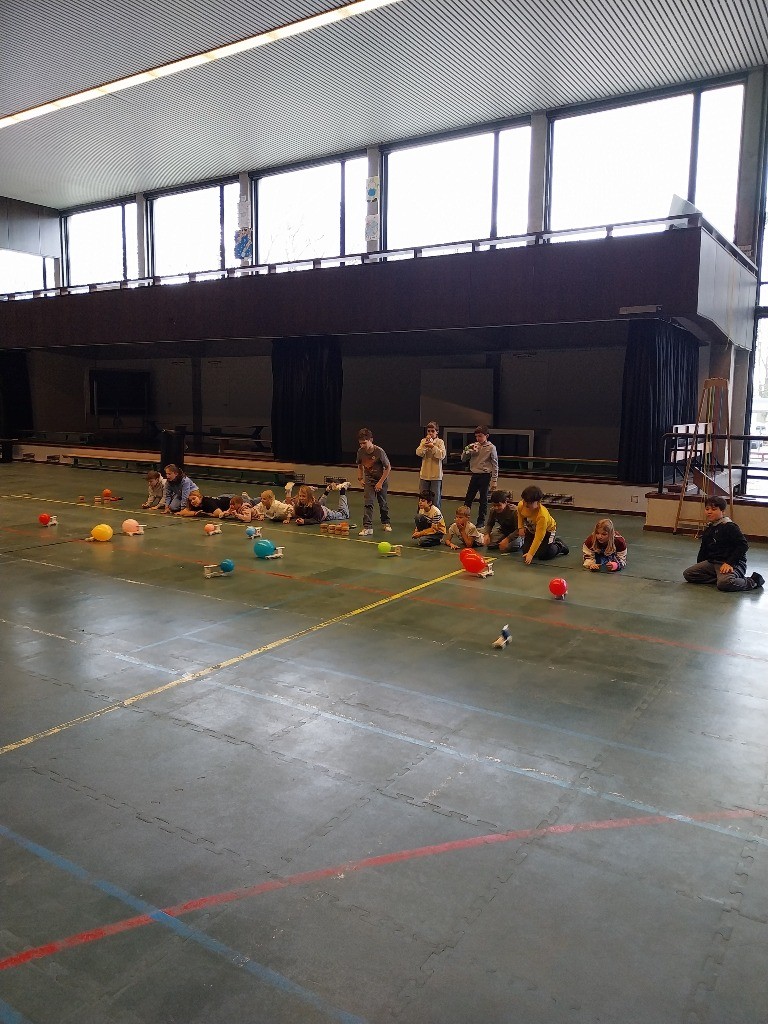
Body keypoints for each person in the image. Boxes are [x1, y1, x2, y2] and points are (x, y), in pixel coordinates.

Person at [683, 496, 764, 592]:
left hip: (732, 563)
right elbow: (703, 548)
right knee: (689, 574)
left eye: (714, 509)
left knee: (725, 584)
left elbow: (743, 546)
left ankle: (753, 581)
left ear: (723, 511)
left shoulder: (730, 526)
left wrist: (729, 563)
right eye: (707, 509)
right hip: (714, 562)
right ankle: (721, 579)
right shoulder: (709, 528)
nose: (709, 512)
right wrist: (700, 564)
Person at [516, 485, 569, 563]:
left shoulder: (542, 516)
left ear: (538, 502)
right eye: (525, 501)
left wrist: (531, 554)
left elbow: (539, 537)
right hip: (532, 530)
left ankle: (559, 545)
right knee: (525, 552)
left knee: (543, 555)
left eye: (530, 503)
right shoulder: (521, 505)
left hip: (547, 532)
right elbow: (520, 515)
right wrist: (520, 527)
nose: (526, 505)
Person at [356, 428, 392, 536]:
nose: (362, 445)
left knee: (382, 503)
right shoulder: (360, 452)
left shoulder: (379, 451)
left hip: (381, 479)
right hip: (369, 480)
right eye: (360, 443)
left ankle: (386, 522)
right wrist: (360, 478)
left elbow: (388, 468)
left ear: (370, 440)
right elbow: (359, 465)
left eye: (364, 443)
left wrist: (380, 482)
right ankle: (367, 527)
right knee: (368, 502)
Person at [461, 425, 498, 528]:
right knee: (468, 498)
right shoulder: (473, 446)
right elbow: (463, 459)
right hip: (475, 475)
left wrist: (494, 480)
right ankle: (463, 518)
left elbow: (495, 465)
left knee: (483, 500)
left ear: (487, 436)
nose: (478, 438)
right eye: (476, 436)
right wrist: (467, 450)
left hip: (485, 476)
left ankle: (481, 521)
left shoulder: (491, 448)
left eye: (480, 436)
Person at [416, 421, 446, 507]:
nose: (430, 433)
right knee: (422, 498)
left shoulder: (440, 442)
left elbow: (442, 455)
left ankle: (436, 515)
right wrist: (425, 446)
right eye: (428, 431)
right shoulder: (423, 441)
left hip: (436, 476)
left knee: (435, 499)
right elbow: (418, 453)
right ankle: (422, 515)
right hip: (424, 475)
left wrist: (433, 447)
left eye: (433, 431)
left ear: (437, 432)